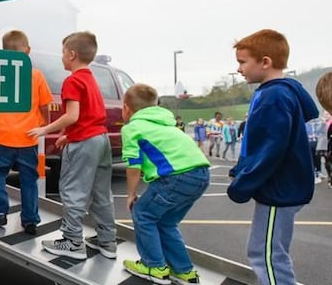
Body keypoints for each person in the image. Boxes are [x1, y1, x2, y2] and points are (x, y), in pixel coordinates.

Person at [228, 29, 318, 285]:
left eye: (242, 62)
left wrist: (243, 184)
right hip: (283, 187)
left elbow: (270, 148)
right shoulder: (282, 92)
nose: (238, 69)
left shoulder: (273, 96)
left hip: (278, 189)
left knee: (266, 255)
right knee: (268, 251)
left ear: (265, 62)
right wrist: (241, 168)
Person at [28, 31, 117, 260]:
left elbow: (73, 115)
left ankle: (72, 241)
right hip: (101, 140)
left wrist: (45, 129)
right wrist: (68, 136)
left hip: (85, 144)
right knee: (101, 193)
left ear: (72, 54)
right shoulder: (90, 79)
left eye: (63, 52)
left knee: (72, 192)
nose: (62, 56)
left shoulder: (73, 80)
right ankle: (107, 241)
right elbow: (90, 115)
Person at [120, 84, 210, 285]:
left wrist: (131, 194)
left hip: (176, 177)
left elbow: (133, 166)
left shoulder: (132, 128)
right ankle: (184, 271)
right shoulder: (167, 124)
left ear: (126, 108)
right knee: (166, 222)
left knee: (143, 214)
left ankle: (154, 266)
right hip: (202, 175)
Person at [0, 30, 52, 235]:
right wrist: (44, 123)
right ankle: (30, 220)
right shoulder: (36, 75)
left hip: (5, 138)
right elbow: (45, 105)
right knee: (29, 179)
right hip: (28, 138)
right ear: (27, 50)